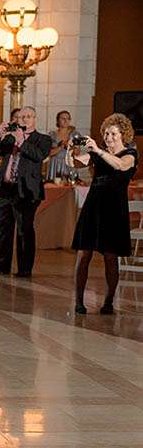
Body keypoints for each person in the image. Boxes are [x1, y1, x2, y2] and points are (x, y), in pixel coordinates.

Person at [70, 113, 138, 314]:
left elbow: (120, 165)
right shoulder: (96, 153)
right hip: (93, 206)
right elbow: (75, 163)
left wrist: (98, 150)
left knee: (110, 256)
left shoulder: (131, 153)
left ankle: (108, 301)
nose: (108, 137)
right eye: (106, 133)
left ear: (122, 134)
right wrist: (70, 149)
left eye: (113, 133)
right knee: (83, 255)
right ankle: (79, 302)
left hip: (114, 209)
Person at [0, 106, 53, 277]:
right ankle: (2, 266)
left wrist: (22, 141)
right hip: (6, 189)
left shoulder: (42, 139)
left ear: (34, 119)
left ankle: (24, 269)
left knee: (24, 230)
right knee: (3, 230)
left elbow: (38, 156)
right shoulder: (9, 139)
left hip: (26, 192)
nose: (23, 120)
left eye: (27, 117)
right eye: (20, 117)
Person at [47, 110, 80, 182]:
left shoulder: (74, 134)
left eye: (68, 118)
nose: (66, 121)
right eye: (63, 118)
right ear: (58, 120)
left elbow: (77, 153)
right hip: (55, 164)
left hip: (69, 163)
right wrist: (61, 146)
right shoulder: (52, 135)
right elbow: (49, 153)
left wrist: (71, 146)